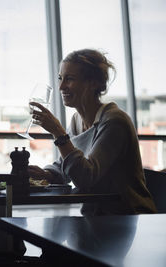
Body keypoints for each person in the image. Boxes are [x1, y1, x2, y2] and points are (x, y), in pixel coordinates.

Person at [27, 48, 157, 215]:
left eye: (70, 79)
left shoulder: (114, 121)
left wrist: (58, 133)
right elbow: (67, 165)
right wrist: (47, 174)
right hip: (96, 217)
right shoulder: (76, 120)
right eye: (60, 78)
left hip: (128, 218)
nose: (61, 86)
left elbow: (85, 177)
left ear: (93, 83)